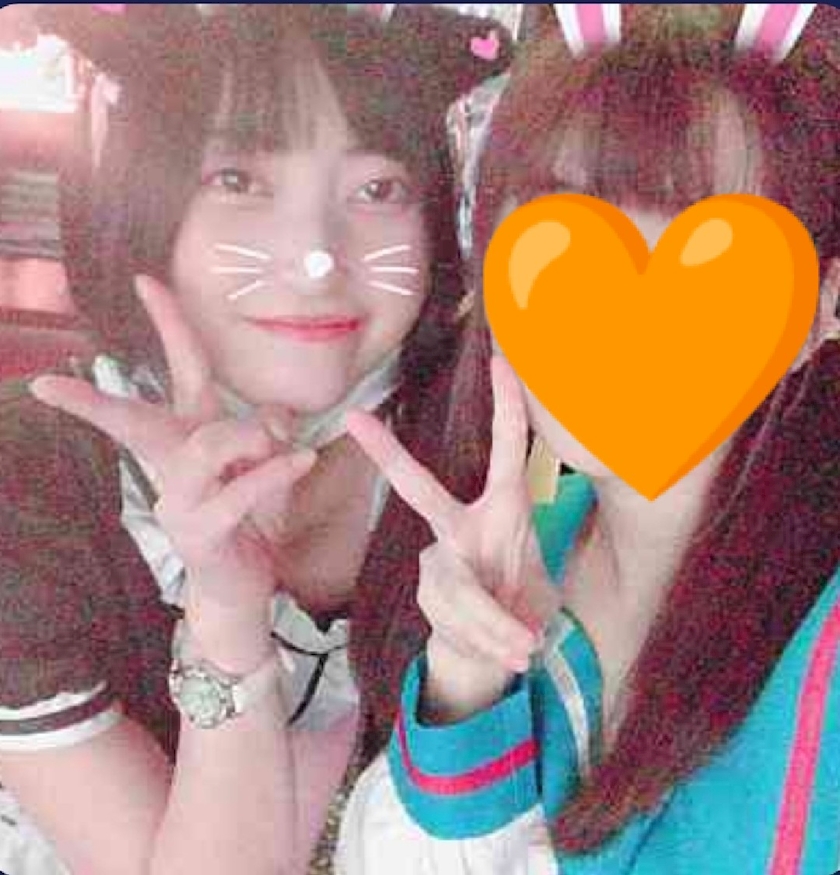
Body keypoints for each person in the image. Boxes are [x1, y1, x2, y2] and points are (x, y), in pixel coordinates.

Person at [0, 5, 513, 874]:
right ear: (143, 199)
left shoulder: (485, 450)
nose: (315, 258)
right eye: (238, 179)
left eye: (378, 189)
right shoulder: (27, 480)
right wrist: (228, 619)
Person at [336, 4, 840, 873]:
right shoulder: (519, 542)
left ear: (821, 309)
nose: (622, 311)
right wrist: (465, 679)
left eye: (713, 245)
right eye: (566, 231)